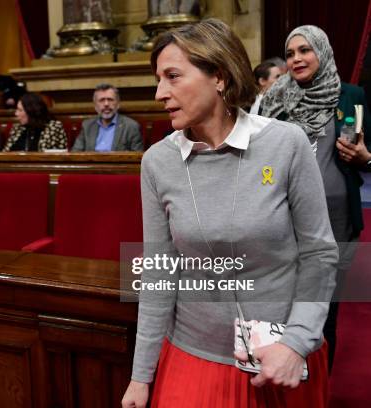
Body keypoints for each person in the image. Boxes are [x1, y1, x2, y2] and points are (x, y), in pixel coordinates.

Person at [122, 19, 338, 407]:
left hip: (280, 356)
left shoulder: (286, 144)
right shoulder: (157, 162)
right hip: (194, 357)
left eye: (173, 76)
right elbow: (158, 269)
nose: (159, 93)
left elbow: (319, 254)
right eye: (158, 79)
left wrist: (296, 341)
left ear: (218, 76)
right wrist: (141, 376)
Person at [260, 25, 371, 372]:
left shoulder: (351, 95)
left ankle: (317, 385)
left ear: (321, 52)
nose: (296, 59)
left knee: (324, 311)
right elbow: (258, 158)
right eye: (290, 53)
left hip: (337, 222)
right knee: (281, 306)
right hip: (283, 221)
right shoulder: (274, 101)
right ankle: (283, 379)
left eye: (305, 50)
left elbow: (370, 152)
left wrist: (365, 158)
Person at [71, 83, 144, 152]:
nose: (106, 104)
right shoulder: (87, 125)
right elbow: (75, 153)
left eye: (110, 99)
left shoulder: (131, 126)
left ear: (118, 104)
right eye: (101, 100)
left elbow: (137, 157)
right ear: (95, 105)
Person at [3, 93, 67, 152]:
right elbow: (5, 153)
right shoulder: (17, 128)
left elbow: (57, 156)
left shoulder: (53, 127)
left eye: (20, 110)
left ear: (31, 111)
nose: (16, 113)